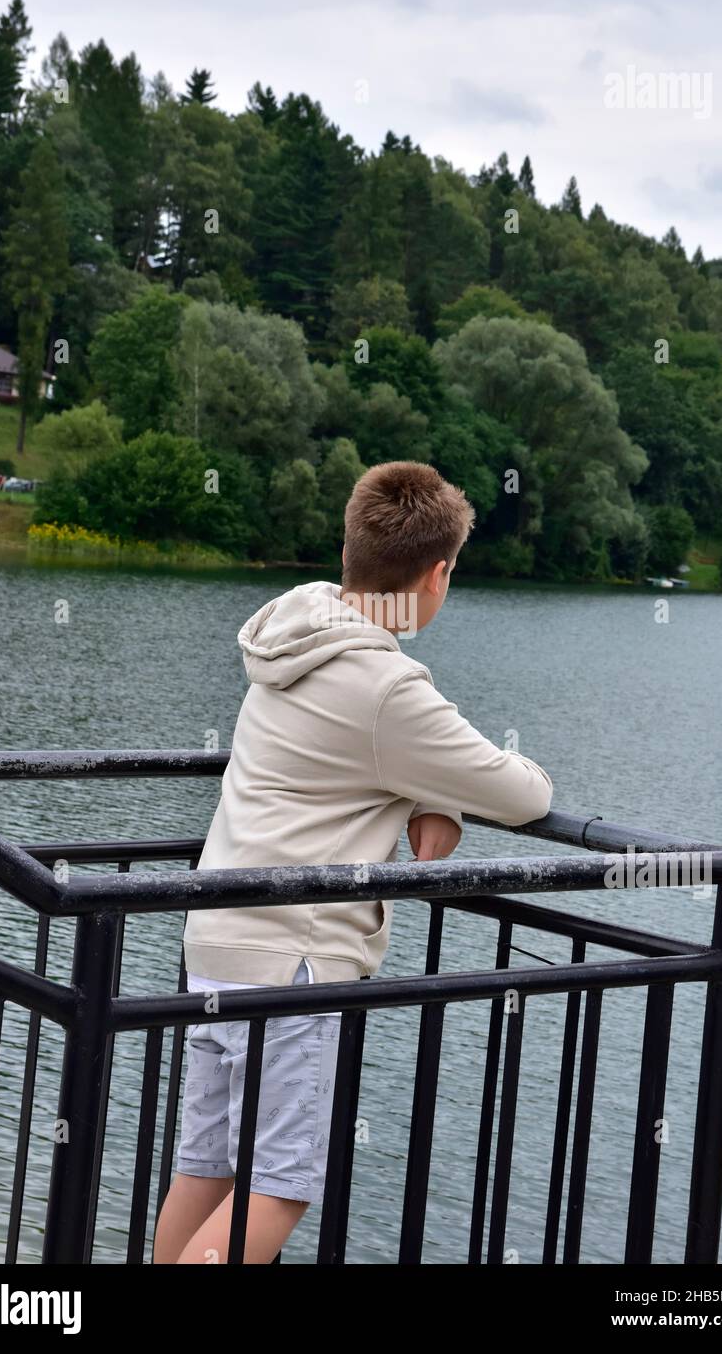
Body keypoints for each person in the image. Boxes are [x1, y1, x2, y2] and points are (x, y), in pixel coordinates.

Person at [153, 460, 553, 1264]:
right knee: (279, 1187)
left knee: (207, 1169)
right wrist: (432, 788)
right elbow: (524, 793)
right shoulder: (385, 687)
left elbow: (355, 758)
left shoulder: (297, 627)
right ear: (436, 576)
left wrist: (417, 791)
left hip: (217, 938)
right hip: (293, 956)